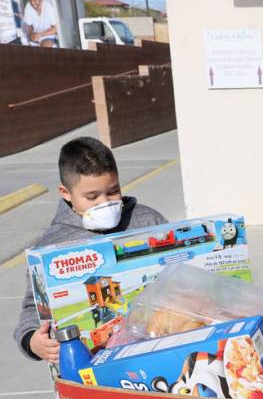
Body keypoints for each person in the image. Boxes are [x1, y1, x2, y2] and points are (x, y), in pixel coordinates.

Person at [14, 137, 167, 363]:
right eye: (92, 197)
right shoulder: (50, 245)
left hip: (157, 346)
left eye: (113, 191)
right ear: (66, 193)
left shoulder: (148, 220)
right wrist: (32, 342)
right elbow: (32, 309)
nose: (104, 202)